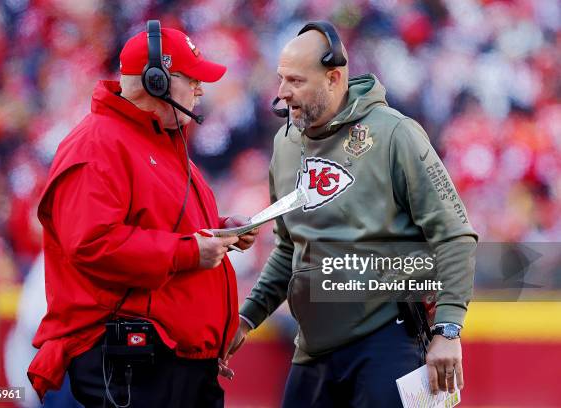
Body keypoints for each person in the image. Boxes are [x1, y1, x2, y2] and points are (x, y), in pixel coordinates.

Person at [225, 21, 478, 407]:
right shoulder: (286, 143)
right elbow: (289, 248)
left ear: (334, 78)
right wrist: (246, 318)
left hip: (388, 338)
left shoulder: (395, 133)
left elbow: (454, 234)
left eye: (295, 80)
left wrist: (448, 329)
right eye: (281, 79)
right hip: (312, 346)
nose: (281, 93)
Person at [27, 21, 258, 408]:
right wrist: (189, 251)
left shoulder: (159, 140)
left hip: (176, 363)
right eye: (192, 79)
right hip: (135, 362)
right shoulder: (97, 144)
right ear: (157, 81)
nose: (201, 89)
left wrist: (219, 232)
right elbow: (93, 243)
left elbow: (160, 225)